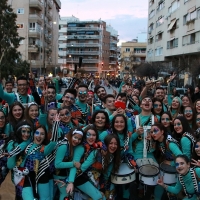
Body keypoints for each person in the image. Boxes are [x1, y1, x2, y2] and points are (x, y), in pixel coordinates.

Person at [54, 128, 84, 200]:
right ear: (70, 136)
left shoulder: (70, 146)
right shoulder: (64, 145)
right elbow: (57, 164)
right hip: (56, 173)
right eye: (75, 137)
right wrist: (73, 163)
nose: (77, 141)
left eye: (79, 139)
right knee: (65, 194)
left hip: (63, 173)